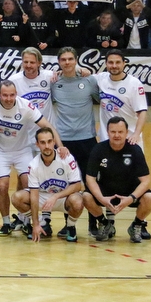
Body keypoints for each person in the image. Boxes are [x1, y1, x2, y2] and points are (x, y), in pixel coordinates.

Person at [0, 80, 62, 236]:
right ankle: (5, 222)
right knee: (2, 186)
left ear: (16, 94)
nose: (8, 98)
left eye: (12, 95)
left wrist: (60, 146)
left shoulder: (26, 106)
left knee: (28, 184)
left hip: (22, 151)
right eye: (5, 95)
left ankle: (26, 221)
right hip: (0, 151)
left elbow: (48, 126)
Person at [49, 47, 99, 238]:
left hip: (87, 139)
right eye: (63, 59)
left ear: (76, 60)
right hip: (64, 141)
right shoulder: (54, 82)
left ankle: (94, 223)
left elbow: (103, 100)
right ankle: (67, 225)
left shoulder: (89, 80)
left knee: (91, 182)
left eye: (71, 59)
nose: (67, 62)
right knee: (65, 183)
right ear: (59, 62)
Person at [83, 117, 151, 243]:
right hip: (106, 192)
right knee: (85, 196)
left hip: (129, 192)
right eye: (113, 132)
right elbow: (90, 179)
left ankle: (136, 225)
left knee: (150, 198)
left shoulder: (135, 150)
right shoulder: (98, 149)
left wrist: (131, 198)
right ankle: (104, 223)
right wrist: (101, 199)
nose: (117, 135)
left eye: (120, 132)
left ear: (126, 132)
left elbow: (146, 180)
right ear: (107, 132)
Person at [12, 127, 84, 242]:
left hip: (63, 198)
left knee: (78, 200)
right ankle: (42, 223)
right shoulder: (33, 165)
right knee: (17, 197)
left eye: (49, 141)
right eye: (42, 142)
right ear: (37, 144)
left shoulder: (67, 158)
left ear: (54, 142)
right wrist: (35, 224)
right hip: (43, 198)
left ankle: (70, 226)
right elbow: (34, 195)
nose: (47, 146)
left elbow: (77, 186)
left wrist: (55, 197)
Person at [96, 49, 148, 148]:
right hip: (107, 139)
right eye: (111, 62)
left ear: (124, 63)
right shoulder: (101, 78)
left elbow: (142, 112)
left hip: (130, 139)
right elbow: (81, 76)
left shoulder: (134, 84)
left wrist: (136, 134)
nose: (114, 66)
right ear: (106, 64)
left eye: (118, 62)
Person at [8, 47, 55, 126]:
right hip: (26, 133)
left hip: (47, 132)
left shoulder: (49, 76)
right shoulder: (13, 80)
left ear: (39, 63)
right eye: (25, 62)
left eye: (32, 62)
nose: (28, 65)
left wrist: (80, 70)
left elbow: (67, 74)